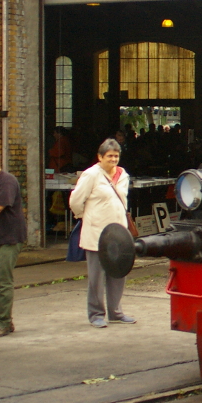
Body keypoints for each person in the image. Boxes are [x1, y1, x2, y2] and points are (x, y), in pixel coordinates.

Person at [69, 139, 136, 328]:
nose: (113, 160)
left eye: (116, 156)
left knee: (118, 273)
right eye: (109, 156)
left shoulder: (124, 175)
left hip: (118, 234)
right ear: (100, 157)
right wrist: (84, 216)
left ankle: (116, 312)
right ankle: (96, 314)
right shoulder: (91, 175)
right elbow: (75, 200)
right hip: (96, 232)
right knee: (96, 277)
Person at [0, 145, 27, 338]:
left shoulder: (6, 181)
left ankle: (1, 322)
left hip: (6, 239)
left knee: (2, 281)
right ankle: (6, 321)